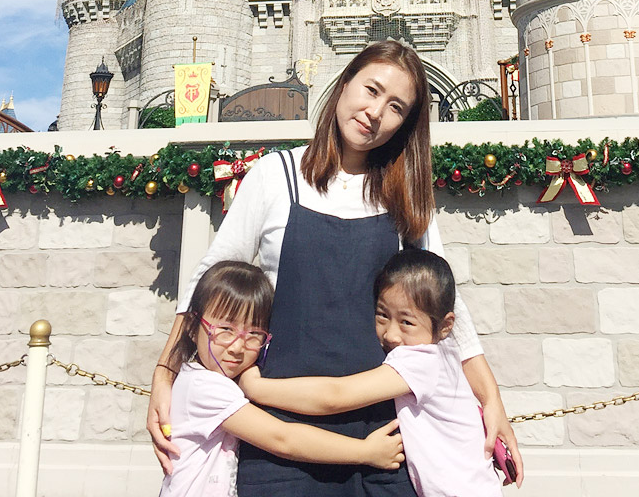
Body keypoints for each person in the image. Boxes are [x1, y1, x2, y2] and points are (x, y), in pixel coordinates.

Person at [148, 40, 523, 495]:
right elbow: (210, 277)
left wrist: (492, 399)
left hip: (384, 436)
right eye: (371, 90)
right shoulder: (274, 175)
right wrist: (165, 374)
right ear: (345, 83)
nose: (375, 112)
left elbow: (447, 306)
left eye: (396, 107)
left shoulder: (404, 195)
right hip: (282, 431)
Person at [239, 249, 516, 496]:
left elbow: (335, 396)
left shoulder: (421, 361)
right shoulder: (447, 351)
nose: (391, 334)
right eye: (382, 315)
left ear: (445, 326)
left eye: (407, 322)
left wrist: (257, 389)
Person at [160, 260, 404, 496]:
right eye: (225, 330)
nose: (237, 347)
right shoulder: (204, 387)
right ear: (191, 327)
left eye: (253, 334)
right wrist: (365, 451)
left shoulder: (209, 380)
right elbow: (282, 438)